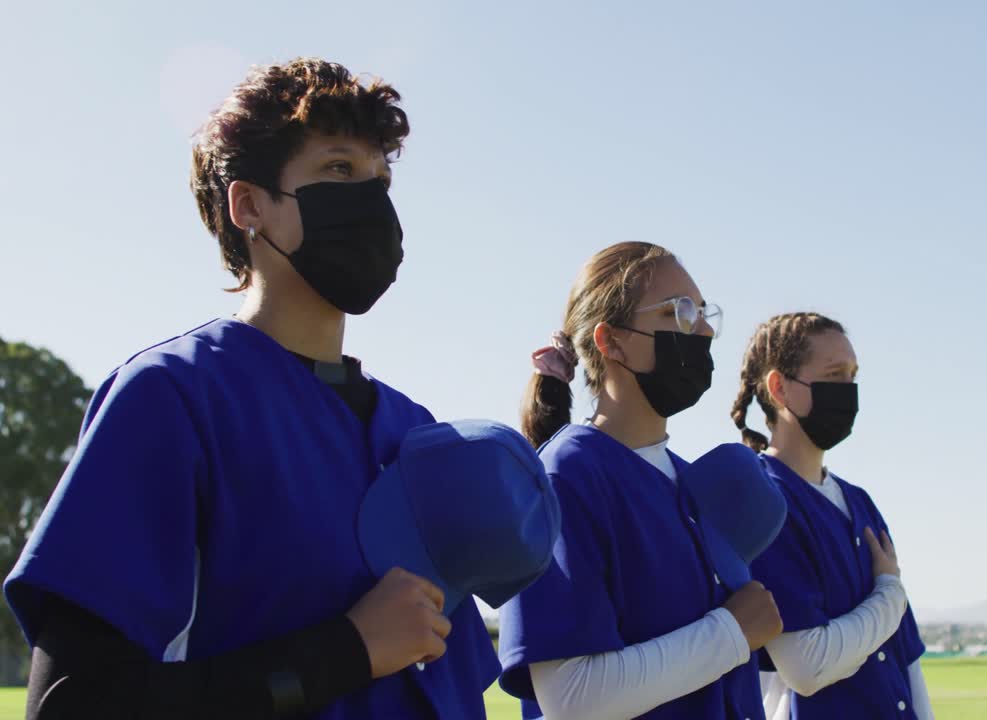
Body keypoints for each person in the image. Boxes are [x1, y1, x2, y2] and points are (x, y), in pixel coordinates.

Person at [5, 57, 497, 719]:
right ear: (249, 205)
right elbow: (74, 705)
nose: (373, 200)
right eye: (339, 170)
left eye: (381, 178)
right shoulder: (172, 397)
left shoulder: (417, 431)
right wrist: (342, 651)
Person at [498, 242, 782, 719]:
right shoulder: (566, 474)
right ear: (611, 341)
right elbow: (569, 698)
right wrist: (732, 632)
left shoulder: (689, 481)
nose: (706, 329)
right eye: (681, 312)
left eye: (704, 311)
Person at [730, 312, 933, 719]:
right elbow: (807, 665)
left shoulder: (860, 502)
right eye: (834, 374)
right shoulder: (764, 500)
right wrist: (888, 594)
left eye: (853, 376)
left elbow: (905, 659)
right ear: (779, 387)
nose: (848, 390)